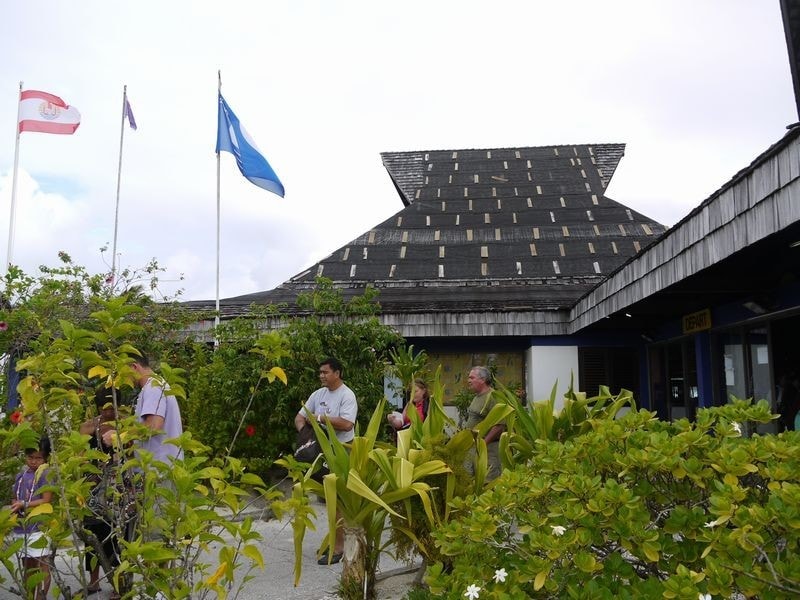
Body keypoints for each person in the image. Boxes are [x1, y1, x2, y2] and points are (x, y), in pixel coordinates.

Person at [294, 358, 357, 565]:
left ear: (337, 373)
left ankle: (339, 547)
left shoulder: (347, 395)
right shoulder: (317, 394)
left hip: (342, 454)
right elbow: (300, 417)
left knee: (338, 502)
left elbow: (347, 424)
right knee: (328, 501)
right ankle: (338, 540)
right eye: (320, 372)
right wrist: (308, 436)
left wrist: (319, 419)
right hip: (321, 455)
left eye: (325, 372)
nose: (321, 375)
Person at [77, 388, 136, 600]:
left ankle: (119, 584)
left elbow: (132, 453)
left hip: (117, 485)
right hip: (94, 485)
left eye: (113, 409)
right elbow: (81, 455)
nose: (110, 413)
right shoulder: (88, 426)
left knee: (116, 532)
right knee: (92, 531)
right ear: (99, 407)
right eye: (106, 409)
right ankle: (93, 582)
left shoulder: (126, 424)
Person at [10, 437, 53, 600]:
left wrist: (25, 504)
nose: (34, 461)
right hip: (22, 527)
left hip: (39, 526)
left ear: (46, 458)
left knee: (42, 564)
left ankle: (41, 597)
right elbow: (14, 497)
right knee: (28, 567)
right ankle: (29, 596)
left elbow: (46, 499)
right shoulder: (21, 475)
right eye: (30, 457)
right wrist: (15, 505)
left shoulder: (46, 474)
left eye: (38, 458)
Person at [464, 366, 505, 481]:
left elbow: (499, 426)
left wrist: (483, 444)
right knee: (470, 481)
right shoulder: (477, 397)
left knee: (487, 482)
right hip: (473, 448)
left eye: (472, 377)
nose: (469, 380)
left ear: (482, 380)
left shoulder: (494, 397)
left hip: (488, 450)